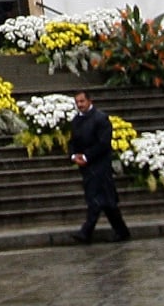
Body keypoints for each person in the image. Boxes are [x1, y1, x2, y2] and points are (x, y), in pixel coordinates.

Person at [67, 88, 131, 244]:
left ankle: (86, 232)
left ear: (90, 101)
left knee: (95, 199)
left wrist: (87, 156)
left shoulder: (101, 119)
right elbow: (72, 141)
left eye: (82, 101)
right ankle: (122, 231)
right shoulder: (76, 121)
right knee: (107, 201)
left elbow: (103, 143)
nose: (80, 105)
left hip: (100, 165)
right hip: (86, 167)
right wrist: (74, 155)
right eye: (77, 102)